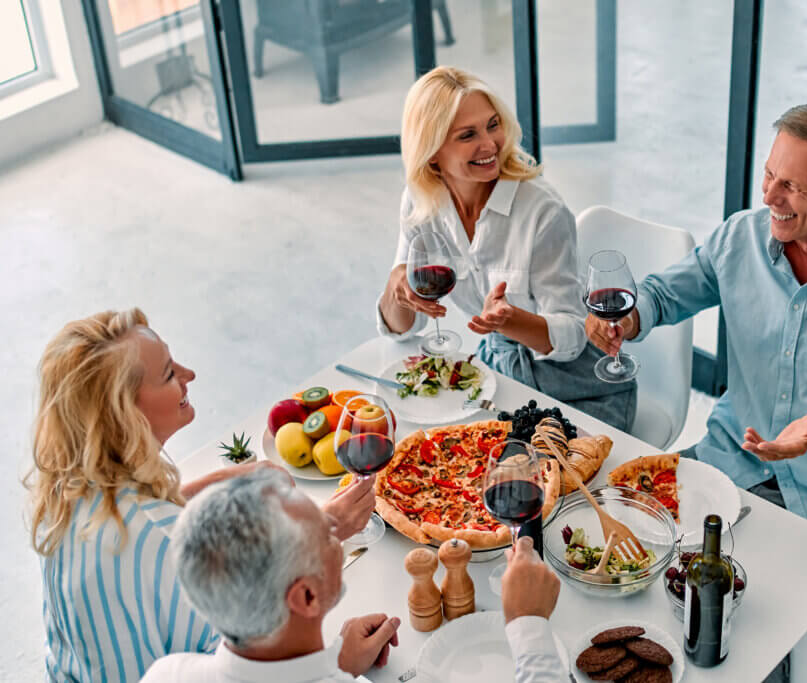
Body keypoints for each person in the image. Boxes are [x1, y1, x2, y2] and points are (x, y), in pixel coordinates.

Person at [587, 103, 807, 563]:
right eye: (769, 175)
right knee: (612, 542)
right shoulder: (741, 238)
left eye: (791, 186)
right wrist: (629, 319)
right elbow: (665, 294)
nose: (770, 196)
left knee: (732, 596)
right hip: (729, 461)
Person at [25, 309, 375, 682]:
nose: (188, 374)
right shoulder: (161, 544)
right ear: (125, 415)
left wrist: (218, 480)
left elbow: (141, 512)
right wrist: (336, 663)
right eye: (168, 374)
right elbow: (251, 624)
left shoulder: (70, 486)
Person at [377, 65, 636, 431]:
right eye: (468, 135)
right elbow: (404, 329)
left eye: (493, 125)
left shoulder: (542, 211)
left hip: (579, 389)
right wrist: (396, 284)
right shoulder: (421, 201)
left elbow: (573, 336)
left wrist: (510, 321)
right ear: (431, 152)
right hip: (499, 379)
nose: (490, 145)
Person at [141, 469, 565, 682]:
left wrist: (334, 664)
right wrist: (529, 625)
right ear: (307, 597)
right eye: (326, 532)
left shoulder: (166, 673)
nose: (339, 533)